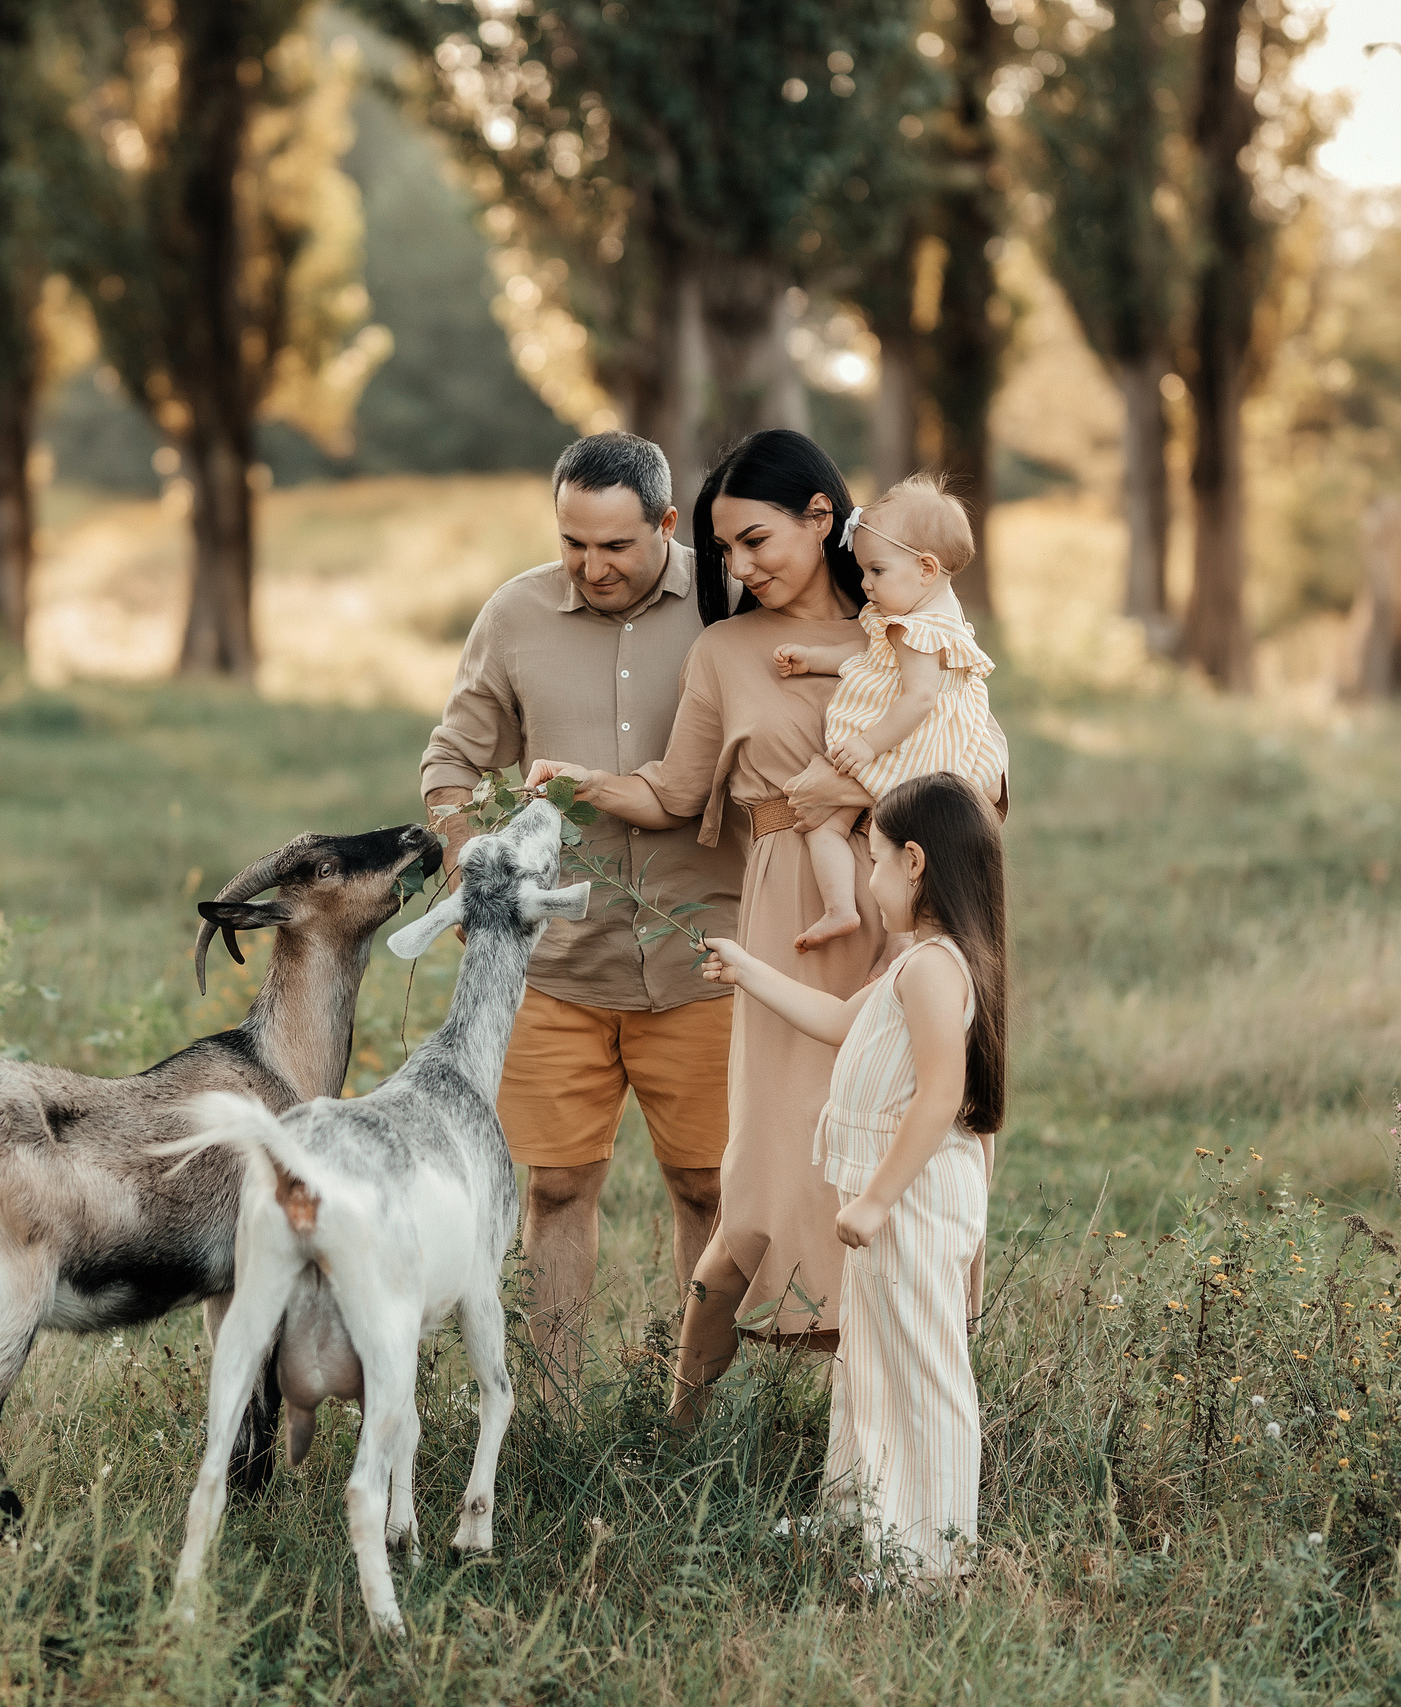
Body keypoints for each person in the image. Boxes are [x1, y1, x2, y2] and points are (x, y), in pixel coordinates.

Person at [525, 428, 900, 1392]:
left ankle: (884, 1385)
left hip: (911, 904)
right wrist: (584, 784)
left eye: (755, 542)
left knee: (900, 1136)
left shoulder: (902, 630)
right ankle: (694, 1409)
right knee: (771, 1162)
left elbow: (978, 759)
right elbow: (674, 792)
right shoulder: (725, 648)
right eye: (723, 548)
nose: (735, 567)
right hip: (782, 918)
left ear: (822, 518)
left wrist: (849, 793)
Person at [420, 431, 743, 1403]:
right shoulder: (512, 615)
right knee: (554, 1190)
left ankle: (700, 1411)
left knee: (710, 1192)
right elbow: (453, 763)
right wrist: (463, 847)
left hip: (706, 960)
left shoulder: (731, 606)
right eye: (573, 543)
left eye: (616, 546)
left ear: (667, 525)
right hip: (557, 967)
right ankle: (551, 1417)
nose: (591, 567)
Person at [696, 772, 1007, 1583]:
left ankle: (932, 1556)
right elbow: (842, 1022)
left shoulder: (936, 968)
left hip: (904, 1200)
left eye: (870, 862)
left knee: (922, 1371)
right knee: (869, 1362)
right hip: (889, 1201)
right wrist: (748, 971)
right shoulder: (918, 964)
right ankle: (861, 1517)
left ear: (913, 862)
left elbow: (943, 1095)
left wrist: (874, 1200)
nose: (865, 883)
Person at [771, 475, 1008, 952]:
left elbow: (919, 698)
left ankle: (842, 910)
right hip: (936, 746)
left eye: (876, 570)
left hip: (904, 745)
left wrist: (867, 744)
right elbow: (873, 666)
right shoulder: (942, 614)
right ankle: (893, 948)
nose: (865, 584)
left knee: (828, 826)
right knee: (907, 861)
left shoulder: (910, 627)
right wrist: (814, 660)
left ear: (925, 568)